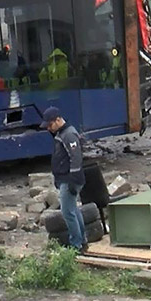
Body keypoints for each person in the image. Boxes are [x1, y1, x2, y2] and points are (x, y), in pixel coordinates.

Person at [43, 106, 86, 252]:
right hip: (65, 178)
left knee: (68, 213)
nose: (49, 128)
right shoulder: (62, 133)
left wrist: (73, 179)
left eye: (50, 125)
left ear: (58, 120)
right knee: (74, 209)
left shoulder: (68, 135)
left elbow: (76, 158)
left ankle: (76, 245)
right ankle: (82, 240)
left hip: (69, 179)